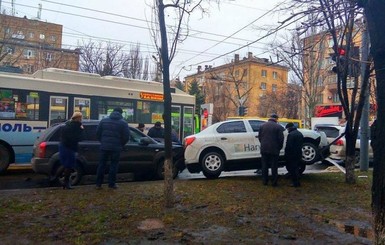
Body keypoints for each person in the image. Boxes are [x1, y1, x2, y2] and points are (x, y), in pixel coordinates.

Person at [96, 107, 130, 189]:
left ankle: (98, 184)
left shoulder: (103, 121)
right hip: (116, 148)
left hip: (104, 147)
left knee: (101, 165)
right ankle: (111, 184)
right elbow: (126, 136)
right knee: (114, 165)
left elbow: (97, 133)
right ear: (121, 113)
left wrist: (103, 141)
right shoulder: (123, 123)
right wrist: (121, 144)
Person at [58, 111, 84, 189]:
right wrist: (81, 130)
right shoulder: (76, 127)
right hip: (70, 148)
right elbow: (78, 138)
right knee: (69, 165)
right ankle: (66, 183)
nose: (81, 119)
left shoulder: (67, 125)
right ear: (78, 118)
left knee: (66, 165)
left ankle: (57, 178)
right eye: (81, 118)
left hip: (63, 146)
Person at [258, 113, 284, 187]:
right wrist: (279, 147)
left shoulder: (262, 126)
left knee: (264, 166)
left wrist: (263, 144)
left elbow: (260, 137)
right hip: (274, 149)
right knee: (274, 166)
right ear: (276, 119)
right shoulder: (278, 127)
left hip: (264, 148)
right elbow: (281, 139)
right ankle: (274, 182)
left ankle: (265, 181)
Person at [284, 122, 304, 187]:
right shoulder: (299, 133)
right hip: (298, 153)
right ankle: (297, 181)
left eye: (287, 129)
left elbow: (289, 146)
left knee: (292, 169)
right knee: (296, 168)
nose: (287, 130)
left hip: (292, 154)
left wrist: (286, 154)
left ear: (289, 128)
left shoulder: (291, 135)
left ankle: (295, 182)